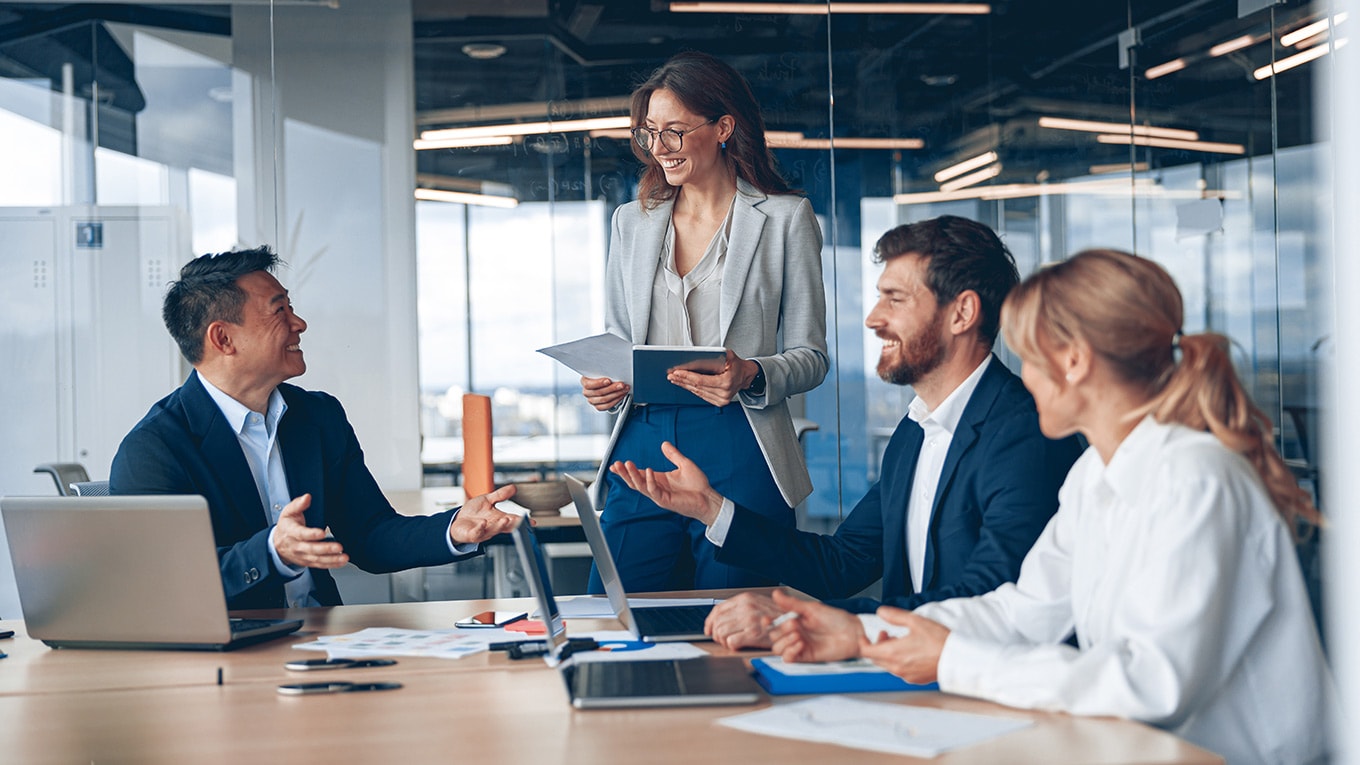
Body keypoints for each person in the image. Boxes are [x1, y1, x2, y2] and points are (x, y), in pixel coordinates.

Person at [767, 249, 1332, 765]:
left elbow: (1151, 683)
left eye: (1030, 358)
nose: (1024, 378)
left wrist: (953, 660)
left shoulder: (1194, 478)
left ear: (1076, 362)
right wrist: (866, 637)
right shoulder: (1095, 473)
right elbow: (1024, 610)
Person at [611, 216, 1083, 648]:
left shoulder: (1026, 435)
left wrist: (798, 622)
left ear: (962, 313)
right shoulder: (916, 431)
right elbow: (840, 564)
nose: (874, 318)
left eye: (895, 299)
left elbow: (988, 598)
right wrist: (709, 508)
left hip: (983, 693)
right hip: (910, 677)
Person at [110, 247, 519, 610]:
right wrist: (271, 553)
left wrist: (453, 528)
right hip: (228, 654)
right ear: (223, 338)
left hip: (321, 640)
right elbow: (164, 585)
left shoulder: (318, 416)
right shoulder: (153, 449)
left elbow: (370, 535)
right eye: (280, 311)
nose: (299, 323)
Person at [580, 50, 828, 593]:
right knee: (619, 611)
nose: (659, 149)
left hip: (741, 436)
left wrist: (752, 373)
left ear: (723, 128)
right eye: (649, 133)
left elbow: (811, 356)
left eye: (674, 132)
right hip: (642, 438)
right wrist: (605, 382)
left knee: (737, 615)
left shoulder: (786, 218)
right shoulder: (632, 222)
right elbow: (618, 340)